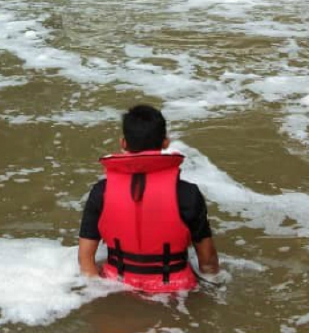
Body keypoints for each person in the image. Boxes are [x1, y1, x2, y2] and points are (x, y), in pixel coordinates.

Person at [78, 105, 219, 292]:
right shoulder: (188, 193)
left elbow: (85, 260)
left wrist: (99, 294)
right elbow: (208, 263)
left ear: (123, 143)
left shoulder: (100, 191)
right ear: (166, 143)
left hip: (118, 286)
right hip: (176, 293)